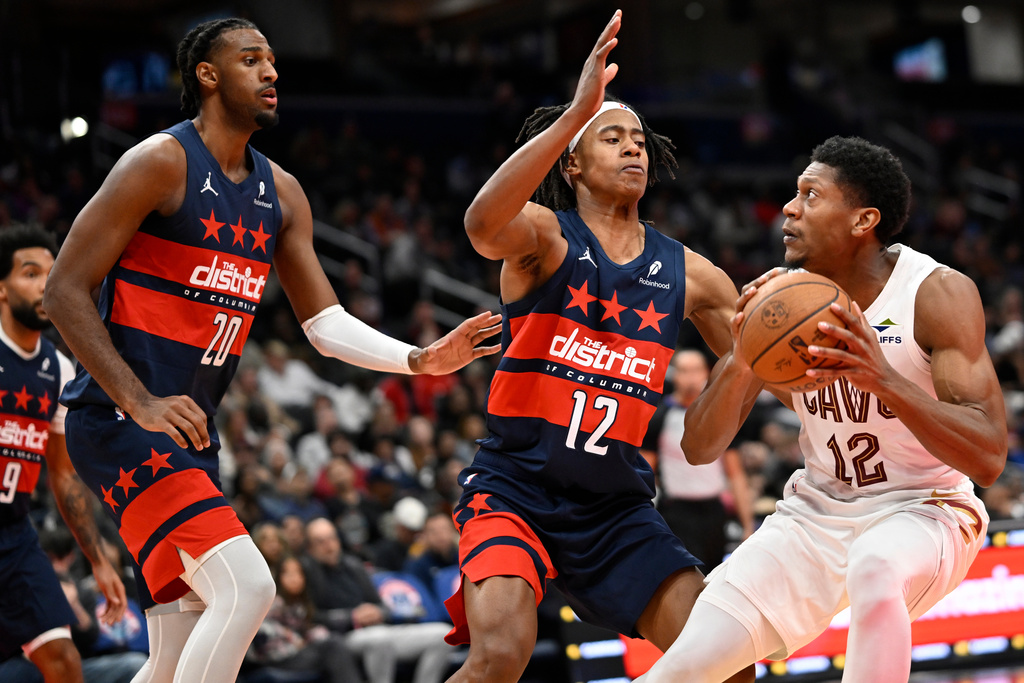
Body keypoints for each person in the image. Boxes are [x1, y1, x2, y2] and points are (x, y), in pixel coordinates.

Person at [42, 17, 500, 683]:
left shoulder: (280, 192)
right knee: (249, 589)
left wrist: (417, 358)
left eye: (273, 61)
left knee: (178, 644)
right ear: (208, 75)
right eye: (251, 59)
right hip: (120, 420)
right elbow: (62, 291)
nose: (271, 73)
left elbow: (325, 323)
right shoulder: (160, 162)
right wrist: (137, 399)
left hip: (186, 432)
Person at [444, 10, 752, 683]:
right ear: (572, 161)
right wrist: (574, 113)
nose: (634, 148)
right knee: (499, 655)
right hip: (513, 488)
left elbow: (763, 375)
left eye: (639, 138)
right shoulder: (543, 240)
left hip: (614, 505)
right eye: (611, 136)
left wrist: (775, 352)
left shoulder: (693, 274)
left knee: (729, 664)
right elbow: (479, 222)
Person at [641, 136, 1007, 682]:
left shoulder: (934, 295)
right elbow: (700, 447)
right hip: (815, 513)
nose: (789, 208)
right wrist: (742, 360)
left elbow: (988, 456)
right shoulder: (781, 305)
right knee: (675, 673)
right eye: (795, 193)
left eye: (810, 195)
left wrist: (882, 380)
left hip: (926, 510)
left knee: (877, 564)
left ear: (863, 220)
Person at [0, 225, 127, 683]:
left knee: (63, 660)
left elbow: (64, 476)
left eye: (51, 275)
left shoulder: (57, 366)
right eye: (30, 274)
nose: (44, 286)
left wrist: (96, 558)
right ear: (1, 288)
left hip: (15, 534)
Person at [640, 348, 754, 569]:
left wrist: (747, 526)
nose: (690, 378)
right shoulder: (660, 416)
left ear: (707, 373)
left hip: (713, 511)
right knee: (687, 576)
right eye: (683, 371)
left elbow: (735, 473)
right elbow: (645, 473)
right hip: (675, 512)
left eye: (695, 371)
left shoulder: (719, 415)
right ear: (674, 375)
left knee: (712, 575)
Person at [302, 518, 453, 683]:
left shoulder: (353, 566)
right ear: (310, 548)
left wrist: (377, 612)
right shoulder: (307, 572)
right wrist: (352, 616)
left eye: (332, 538)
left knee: (443, 635)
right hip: (344, 636)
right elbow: (312, 617)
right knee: (379, 638)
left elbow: (383, 606)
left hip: (379, 629)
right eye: (320, 542)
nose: (329, 546)